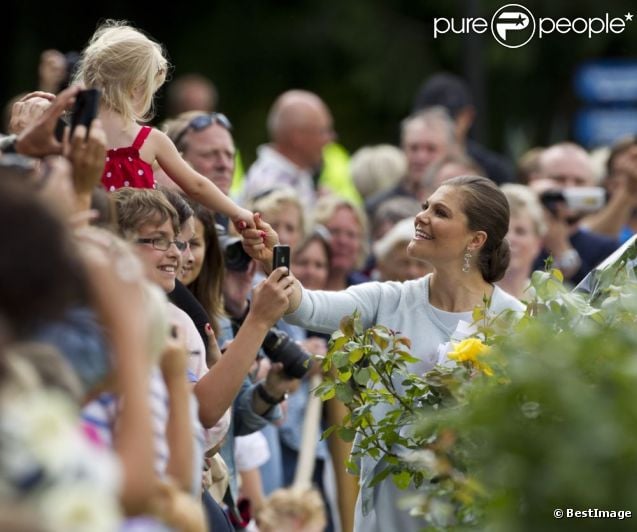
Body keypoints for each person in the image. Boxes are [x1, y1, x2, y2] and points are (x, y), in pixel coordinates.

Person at [242, 175, 525, 531]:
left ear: (476, 239)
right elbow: (304, 307)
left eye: (439, 212)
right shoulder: (388, 300)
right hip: (389, 508)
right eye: (424, 207)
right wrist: (274, 258)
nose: (420, 218)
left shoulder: (516, 323)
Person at [73, 20, 254, 232]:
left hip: (87, 239)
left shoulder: (75, 136)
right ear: (136, 87)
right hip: (140, 244)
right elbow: (196, 186)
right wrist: (237, 212)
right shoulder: (149, 140)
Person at [530, 142, 619, 284]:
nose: (569, 188)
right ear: (535, 181)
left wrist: (561, 249)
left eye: (579, 182)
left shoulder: (608, 250)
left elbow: (597, 300)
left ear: (593, 186)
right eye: (559, 179)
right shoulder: (514, 238)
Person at [412, 72, 515, 185]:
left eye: (447, 119)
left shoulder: (494, 171)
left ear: (468, 117)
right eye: (426, 119)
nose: (422, 157)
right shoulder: (406, 168)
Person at [241, 89, 335, 211]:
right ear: (298, 137)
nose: (329, 139)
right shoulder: (269, 186)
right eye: (323, 132)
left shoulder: (297, 175)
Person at [365, 107, 457, 218]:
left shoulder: (463, 204)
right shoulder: (376, 206)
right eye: (414, 148)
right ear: (402, 149)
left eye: (431, 149)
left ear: (449, 152)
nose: (421, 157)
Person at [497, 184, 546, 299]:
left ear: (538, 243)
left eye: (520, 232)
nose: (509, 239)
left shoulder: (548, 302)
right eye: (502, 230)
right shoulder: (466, 298)